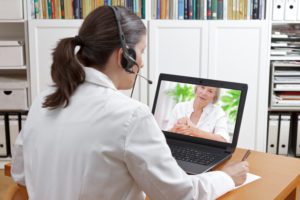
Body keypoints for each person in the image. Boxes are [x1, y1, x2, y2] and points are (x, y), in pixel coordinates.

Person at [11, 6, 248, 200]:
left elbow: (20, 175)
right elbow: (180, 194)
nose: (142, 63)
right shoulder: (131, 115)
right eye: (141, 51)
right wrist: (226, 177)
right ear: (123, 55)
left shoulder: (45, 98)